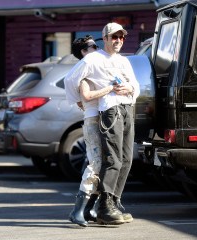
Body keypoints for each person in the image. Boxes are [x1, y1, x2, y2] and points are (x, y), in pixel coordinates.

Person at [64, 22, 140, 225]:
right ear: (105, 38)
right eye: (113, 37)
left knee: (126, 159)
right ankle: (100, 206)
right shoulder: (92, 59)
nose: (118, 41)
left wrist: (130, 88)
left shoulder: (123, 61)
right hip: (107, 111)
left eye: (121, 37)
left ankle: (112, 202)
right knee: (106, 160)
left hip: (126, 108)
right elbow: (70, 80)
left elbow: (136, 85)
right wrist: (79, 101)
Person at [67, 35, 116, 227]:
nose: (96, 48)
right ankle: (77, 210)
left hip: (101, 118)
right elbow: (84, 94)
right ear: (83, 52)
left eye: (97, 45)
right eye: (92, 46)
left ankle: (89, 208)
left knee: (102, 164)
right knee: (95, 163)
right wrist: (109, 88)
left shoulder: (94, 70)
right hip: (93, 120)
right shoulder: (84, 73)